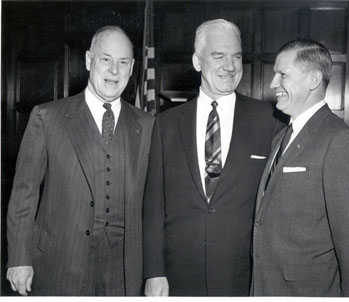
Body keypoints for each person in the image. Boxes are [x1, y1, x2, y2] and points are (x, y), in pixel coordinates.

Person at [6, 25, 154, 296]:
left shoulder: (147, 125)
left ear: (132, 68)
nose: (114, 71)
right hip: (60, 263)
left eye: (122, 63)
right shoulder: (46, 118)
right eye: (105, 59)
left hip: (125, 270)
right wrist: (19, 258)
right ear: (88, 60)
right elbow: (24, 194)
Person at [143, 19, 282, 296]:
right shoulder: (166, 125)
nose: (230, 66)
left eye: (236, 57)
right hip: (177, 276)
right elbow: (154, 206)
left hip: (244, 277)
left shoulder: (270, 121)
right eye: (219, 56)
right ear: (197, 61)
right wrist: (154, 272)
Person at [252, 39, 349, 296]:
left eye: (282, 75)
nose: (272, 84)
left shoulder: (341, 142)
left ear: (313, 79)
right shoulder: (282, 137)